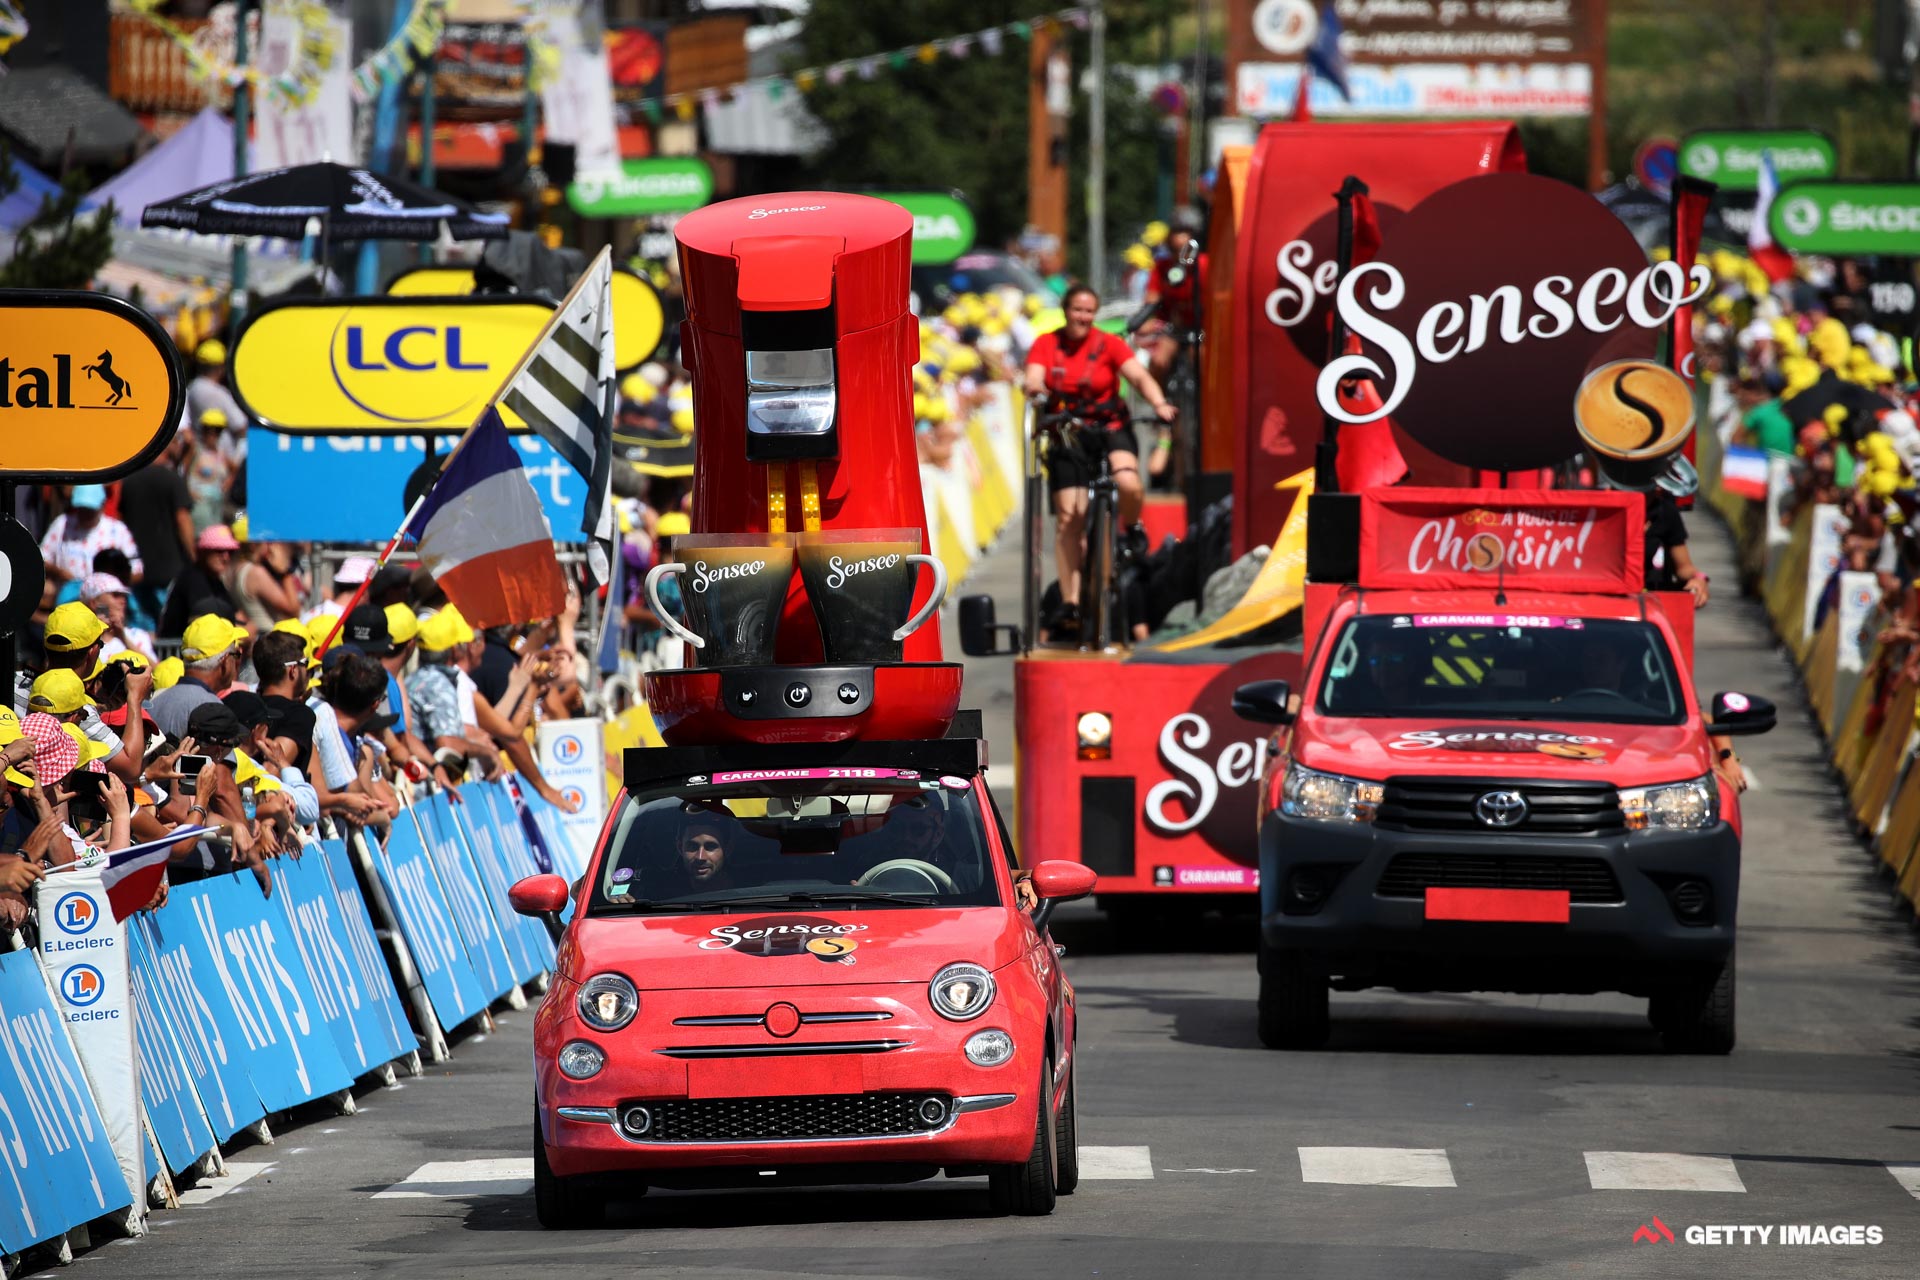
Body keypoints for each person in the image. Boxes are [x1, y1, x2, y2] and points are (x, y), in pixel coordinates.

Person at [1023, 284, 1178, 636]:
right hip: (1067, 432)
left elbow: (1138, 376)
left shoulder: (1108, 344)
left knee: (1127, 481)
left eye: (1089, 311)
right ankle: (1071, 599)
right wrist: (1035, 388)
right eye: (1077, 310)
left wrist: (1158, 404)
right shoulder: (1047, 343)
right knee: (1069, 518)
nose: (1083, 317)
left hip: (1110, 427)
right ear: (1066, 310)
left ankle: (1133, 526)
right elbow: (1032, 376)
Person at [116, 433, 197, 624]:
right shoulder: (172, 480)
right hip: (169, 571)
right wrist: (193, 557)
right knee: (168, 626)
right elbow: (182, 520)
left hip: (138, 571)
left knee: (143, 632)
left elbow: (122, 521)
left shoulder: (129, 482)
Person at [148, 615, 247, 740]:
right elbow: (222, 760)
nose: (237, 662)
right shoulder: (213, 709)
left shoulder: (154, 702)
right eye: (236, 655)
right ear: (225, 661)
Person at [39, 484, 142, 587]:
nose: (85, 514)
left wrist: (110, 583)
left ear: (102, 506)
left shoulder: (118, 531)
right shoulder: (62, 524)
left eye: (90, 509)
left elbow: (137, 571)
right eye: (82, 508)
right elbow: (41, 558)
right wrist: (59, 572)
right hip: (68, 592)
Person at [159, 524, 243, 639]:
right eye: (219, 551)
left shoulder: (215, 581)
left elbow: (236, 615)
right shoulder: (192, 579)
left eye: (230, 552)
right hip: (181, 652)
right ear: (202, 552)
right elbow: (205, 620)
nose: (226, 557)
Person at [83, 572, 157, 663]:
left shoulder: (138, 635)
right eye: (115, 595)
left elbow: (158, 671)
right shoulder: (80, 640)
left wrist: (123, 638)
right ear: (94, 603)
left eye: (123, 596)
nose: (123, 601)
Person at [184, 408, 237, 531]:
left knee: (233, 520)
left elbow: (235, 469)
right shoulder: (195, 450)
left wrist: (228, 483)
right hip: (199, 504)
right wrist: (188, 492)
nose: (212, 434)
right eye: (209, 429)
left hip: (218, 504)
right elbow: (183, 471)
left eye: (217, 430)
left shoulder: (221, 454)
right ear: (203, 430)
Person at [678, 815, 735, 893]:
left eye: (710, 847)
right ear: (680, 848)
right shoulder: (662, 895)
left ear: (728, 849)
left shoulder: (750, 891)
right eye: (692, 847)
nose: (700, 857)